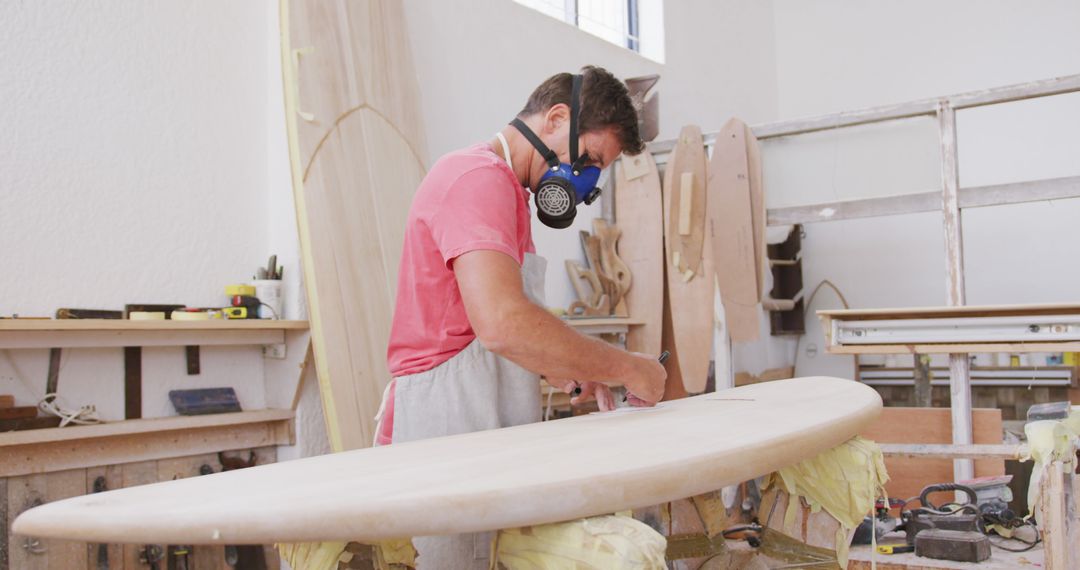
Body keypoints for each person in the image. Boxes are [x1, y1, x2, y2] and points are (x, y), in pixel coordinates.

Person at [378, 66, 667, 568]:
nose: (587, 181)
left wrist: (566, 364)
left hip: (475, 414)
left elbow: (489, 322)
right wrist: (626, 367)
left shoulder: (510, 192)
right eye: (592, 160)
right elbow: (503, 323)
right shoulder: (475, 179)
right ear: (557, 118)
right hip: (444, 425)